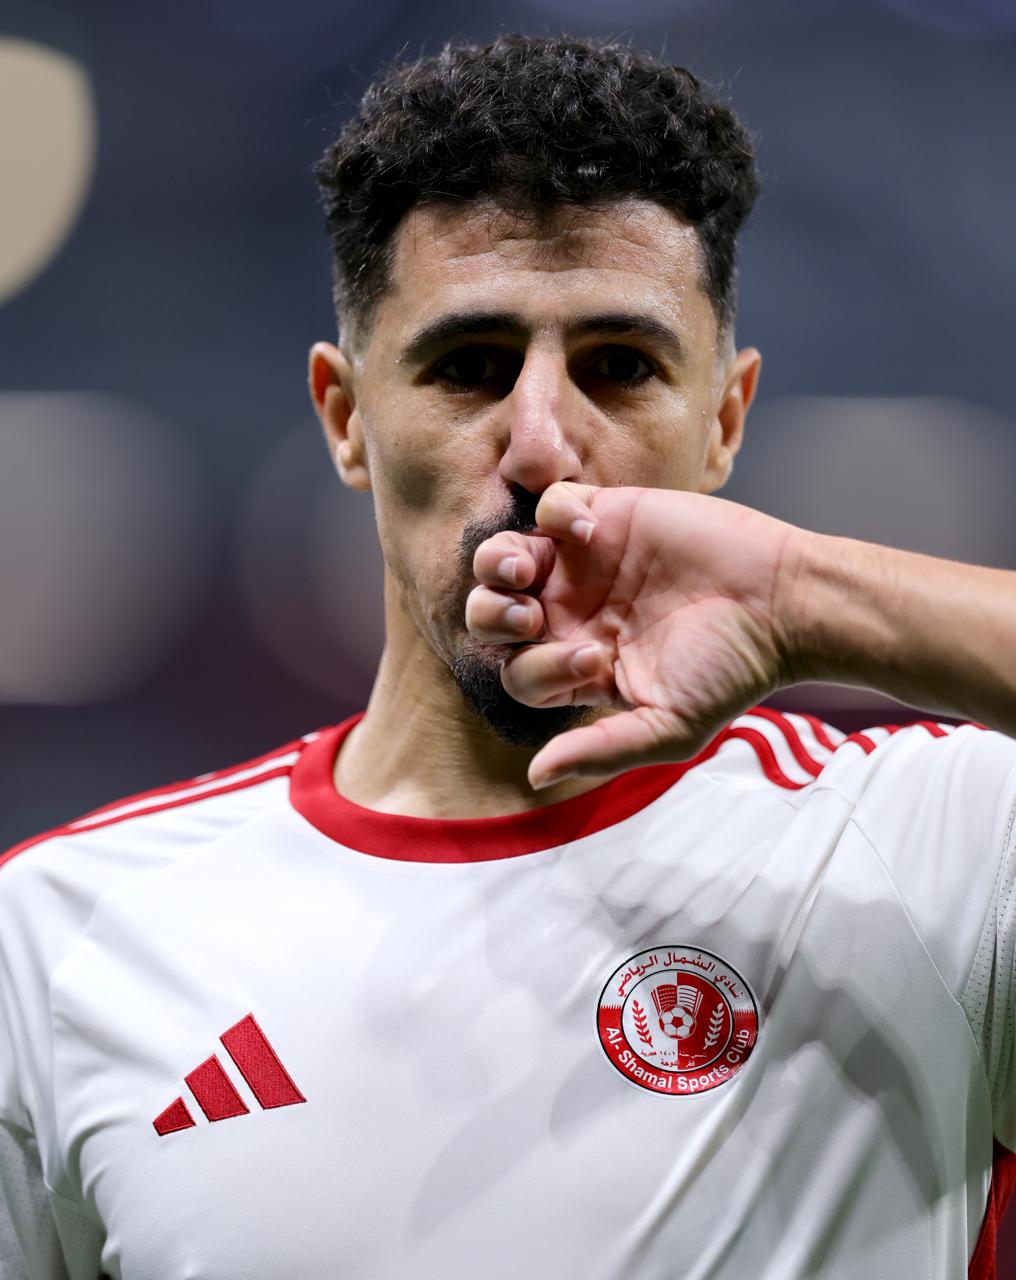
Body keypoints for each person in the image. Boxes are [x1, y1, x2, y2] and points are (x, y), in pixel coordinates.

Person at [2, 32, 1015, 1280]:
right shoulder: (60, 938)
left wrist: (801, 592)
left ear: (724, 421)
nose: (539, 443)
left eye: (618, 368)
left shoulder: (933, 848)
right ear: (345, 417)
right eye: (471, 367)